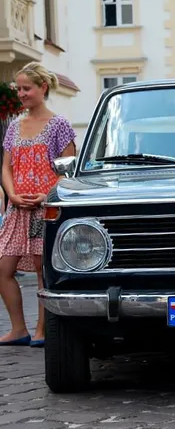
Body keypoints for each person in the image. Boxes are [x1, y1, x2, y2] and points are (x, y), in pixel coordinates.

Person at [0, 62, 76, 347]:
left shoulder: (59, 125)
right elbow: (5, 167)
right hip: (16, 209)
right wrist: (12, 194)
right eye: (18, 88)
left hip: (45, 210)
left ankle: (42, 330)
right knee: (3, 269)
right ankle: (18, 329)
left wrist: (47, 196)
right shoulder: (14, 126)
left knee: (45, 272)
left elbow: (67, 171)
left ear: (43, 88)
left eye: (26, 88)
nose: (21, 94)